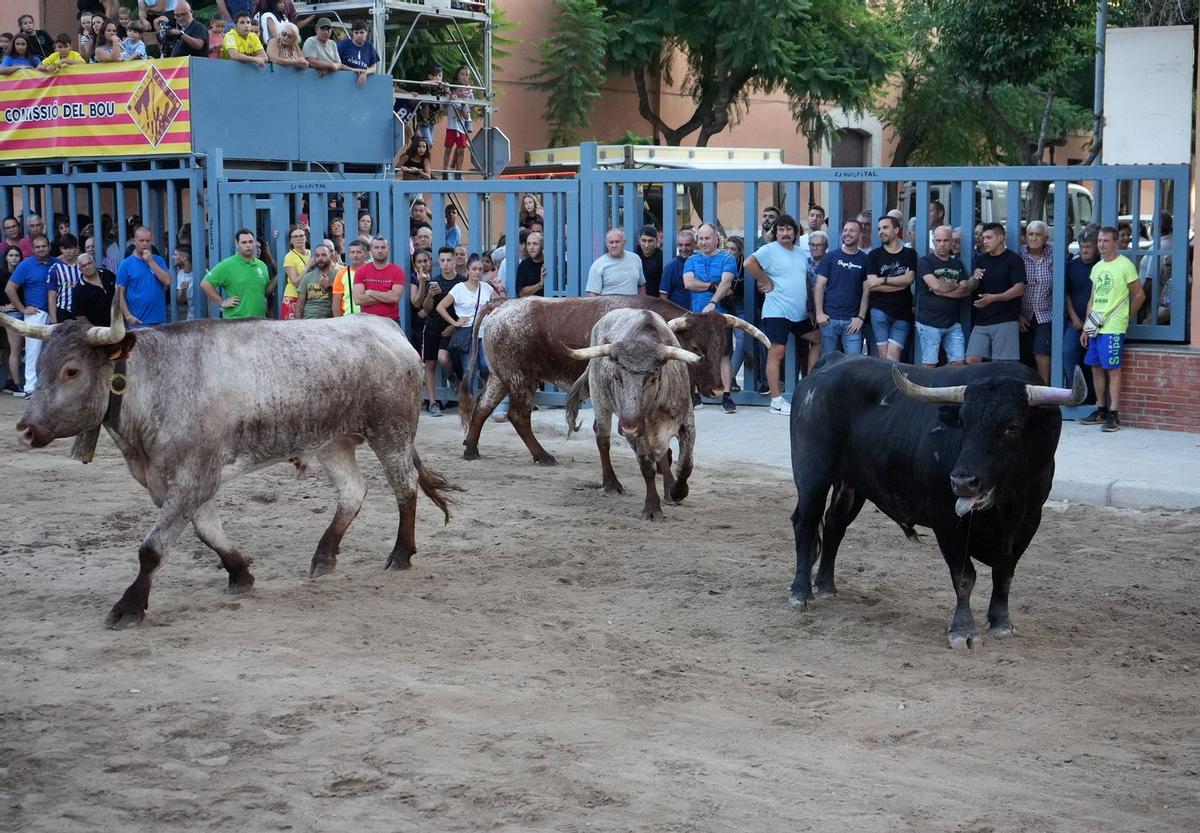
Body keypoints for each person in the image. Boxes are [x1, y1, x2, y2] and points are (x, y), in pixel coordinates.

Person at [1078, 226, 1146, 433]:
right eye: (1099, 240)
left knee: (1113, 369)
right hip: (1096, 325)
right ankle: (1101, 409)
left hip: (1113, 327)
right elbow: (1092, 299)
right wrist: (1087, 328)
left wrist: (1125, 317)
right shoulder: (1098, 267)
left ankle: (1114, 413)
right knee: (1095, 367)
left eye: (1106, 241)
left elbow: (1139, 295)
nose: (1101, 244)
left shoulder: (1125, 265)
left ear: (1115, 243)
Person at [745, 214, 809, 415]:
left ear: (795, 233)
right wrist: (764, 280)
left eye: (789, 229)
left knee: (816, 338)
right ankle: (776, 400)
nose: (785, 233)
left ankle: (809, 383)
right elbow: (748, 263)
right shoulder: (769, 250)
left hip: (799, 313)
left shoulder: (800, 253)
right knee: (777, 352)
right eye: (781, 229)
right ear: (775, 233)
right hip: (777, 311)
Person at [684, 223, 737, 413]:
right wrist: (712, 286)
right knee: (696, 354)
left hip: (720, 317)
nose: (703, 242)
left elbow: (726, 283)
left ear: (716, 238)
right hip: (697, 316)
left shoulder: (727, 258)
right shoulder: (691, 260)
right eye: (701, 238)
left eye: (707, 238)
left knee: (723, 355)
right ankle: (696, 394)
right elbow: (688, 283)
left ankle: (727, 396)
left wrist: (713, 301)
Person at [436, 253, 501, 391]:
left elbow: (501, 304)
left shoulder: (486, 287)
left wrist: (499, 289)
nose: (477, 272)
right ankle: (467, 401)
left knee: (485, 366)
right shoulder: (459, 288)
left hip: (483, 333)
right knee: (468, 371)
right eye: (474, 269)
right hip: (467, 333)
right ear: (468, 270)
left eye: (480, 269)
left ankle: (483, 392)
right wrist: (454, 322)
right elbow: (440, 307)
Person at [915, 226, 975, 368]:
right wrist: (953, 285)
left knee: (959, 363)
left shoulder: (957, 263)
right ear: (933, 241)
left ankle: (943, 381)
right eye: (938, 240)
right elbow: (935, 285)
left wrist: (942, 291)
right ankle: (930, 383)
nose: (942, 244)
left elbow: (965, 289)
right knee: (930, 364)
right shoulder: (925, 262)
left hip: (953, 323)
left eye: (946, 240)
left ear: (952, 242)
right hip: (929, 322)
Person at [966, 222, 1026, 364]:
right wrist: (974, 277)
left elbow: (1019, 289)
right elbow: (970, 288)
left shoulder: (1014, 259)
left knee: (1001, 364)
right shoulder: (981, 259)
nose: (984, 241)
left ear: (1000, 238)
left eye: (988, 238)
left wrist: (993, 298)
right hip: (982, 319)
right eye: (983, 238)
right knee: (972, 359)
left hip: (1006, 319)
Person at [4, 236, 55, 397]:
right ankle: (30, 388)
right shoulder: (25, 265)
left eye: (44, 246)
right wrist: (23, 309)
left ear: (49, 247)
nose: (41, 249)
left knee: (52, 351)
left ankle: (49, 387)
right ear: (32, 249)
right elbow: (9, 288)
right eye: (37, 247)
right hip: (36, 313)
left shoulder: (57, 263)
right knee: (33, 351)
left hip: (55, 313)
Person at [864, 215, 917, 362]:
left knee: (893, 356)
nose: (881, 231)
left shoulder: (910, 254)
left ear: (897, 230)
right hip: (879, 311)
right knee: (884, 356)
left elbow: (909, 279)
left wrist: (883, 280)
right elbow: (872, 286)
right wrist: (901, 284)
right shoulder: (874, 255)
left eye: (885, 227)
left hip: (902, 312)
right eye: (879, 229)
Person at [814, 219, 869, 357]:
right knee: (828, 362)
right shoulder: (831, 257)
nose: (847, 233)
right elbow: (819, 285)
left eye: (852, 230)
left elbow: (866, 291)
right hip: (829, 320)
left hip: (852, 322)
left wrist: (861, 317)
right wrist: (819, 313)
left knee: (853, 363)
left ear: (860, 234)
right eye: (845, 230)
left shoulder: (865, 259)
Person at [421, 246, 462, 416]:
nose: (445, 264)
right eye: (442, 260)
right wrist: (430, 295)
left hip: (452, 327)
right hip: (433, 326)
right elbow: (426, 309)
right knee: (429, 364)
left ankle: (452, 377)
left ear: (455, 261)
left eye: (448, 260)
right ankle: (432, 403)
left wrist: (454, 326)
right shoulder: (434, 281)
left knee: (444, 358)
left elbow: (465, 308)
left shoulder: (462, 282)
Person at [202, 229, 272, 318]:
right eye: (244, 242)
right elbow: (205, 284)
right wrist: (222, 302)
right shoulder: (227, 265)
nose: (248, 245)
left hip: (259, 319)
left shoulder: (262, 265)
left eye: (250, 242)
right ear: (237, 244)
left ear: (254, 243)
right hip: (235, 320)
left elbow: (265, 291)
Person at [340, 235, 406, 324]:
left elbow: (394, 297)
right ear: (371, 249)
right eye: (376, 247)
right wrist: (386, 296)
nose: (380, 250)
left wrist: (371, 292)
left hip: (391, 321)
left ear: (388, 249)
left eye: (383, 247)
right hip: (367, 322)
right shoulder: (361, 271)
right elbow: (358, 299)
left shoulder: (397, 271)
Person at [1019, 219, 1054, 382]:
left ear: (1046, 238)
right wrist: (1017, 314)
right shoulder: (1019, 255)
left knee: (1041, 352)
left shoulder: (1054, 254)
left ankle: (1045, 389)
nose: (1033, 238)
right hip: (1022, 314)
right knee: (1023, 354)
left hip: (1046, 313)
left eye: (1038, 235)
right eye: (1030, 234)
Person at [1064, 226, 1099, 387]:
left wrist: (1090, 323)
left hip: (1097, 320)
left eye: (1088, 247)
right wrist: (1074, 318)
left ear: (1096, 247)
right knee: (1068, 353)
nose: (1085, 250)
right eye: (1082, 246)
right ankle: (1075, 390)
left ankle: (1092, 396)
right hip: (1075, 321)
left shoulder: (1102, 266)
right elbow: (1066, 294)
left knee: (1092, 360)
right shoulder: (1071, 266)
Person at [116, 226, 171, 327]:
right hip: (138, 321)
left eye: (148, 241)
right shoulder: (126, 264)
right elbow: (119, 292)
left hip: (160, 319)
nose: (145, 244)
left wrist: (151, 261)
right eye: (141, 241)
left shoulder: (159, 260)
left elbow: (167, 281)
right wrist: (128, 316)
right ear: (134, 241)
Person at [586, 229, 645, 296]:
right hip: (608, 303)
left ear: (625, 242)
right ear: (606, 244)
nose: (614, 245)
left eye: (617, 242)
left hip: (633, 303)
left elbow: (641, 285)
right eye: (611, 242)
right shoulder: (598, 265)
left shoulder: (635, 259)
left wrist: (642, 301)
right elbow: (593, 294)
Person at [1, 245, 24, 391]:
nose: (14, 258)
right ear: (6, 258)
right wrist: (2, 308)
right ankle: (16, 384)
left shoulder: (23, 272)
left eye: (16, 255)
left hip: (21, 314)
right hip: (10, 315)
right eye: (11, 255)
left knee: (10, 349)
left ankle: (11, 382)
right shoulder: (1, 274)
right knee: (13, 350)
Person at [442, 65, 473, 178]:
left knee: (461, 149)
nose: (461, 92)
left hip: (461, 128)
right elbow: (445, 106)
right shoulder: (452, 95)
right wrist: (451, 96)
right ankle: (445, 170)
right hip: (451, 126)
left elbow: (466, 116)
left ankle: (458, 171)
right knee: (448, 148)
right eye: (462, 74)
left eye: (466, 75)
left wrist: (462, 108)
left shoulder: (465, 98)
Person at [72, 252, 117, 327]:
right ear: (80, 269)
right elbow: (79, 315)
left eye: (89, 263)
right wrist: (92, 329)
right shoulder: (78, 290)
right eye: (83, 266)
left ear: (94, 263)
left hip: (117, 323)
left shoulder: (107, 274)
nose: (87, 267)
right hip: (98, 329)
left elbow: (120, 292)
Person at [295, 242, 337, 319]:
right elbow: (300, 304)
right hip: (308, 318)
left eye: (324, 255)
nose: (320, 258)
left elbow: (338, 302)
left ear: (331, 256)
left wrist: (328, 286)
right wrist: (298, 322)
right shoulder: (307, 277)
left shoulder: (339, 274)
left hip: (329, 319)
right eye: (317, 255)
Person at [658, 230, 697, 311]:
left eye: (687, 245)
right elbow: (663, 297)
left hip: (701, 313)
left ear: (695, 244)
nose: (683, 249)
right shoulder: (671, 267)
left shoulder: (701, 262)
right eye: (680, 245)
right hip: (680, 315)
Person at [47, 234, 82, 323]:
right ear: (60, 249)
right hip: (63, 312)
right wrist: (53, 320)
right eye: (65, 248)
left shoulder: (83, 265)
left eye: (71, 248)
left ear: (76, 248)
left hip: (83, 312)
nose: (68, 251)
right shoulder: (55, 269)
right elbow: (51, 297)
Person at [337, 19, 377, 88]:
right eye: (356, 33)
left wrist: (365, 72)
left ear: (366, 33)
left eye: (362, 32)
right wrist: (353, 70)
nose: (359, 35)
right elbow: (335, 63)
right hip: (341, 82)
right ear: (352, 33)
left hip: (360, 85)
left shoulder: (369, 47)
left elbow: (373, 68)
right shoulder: (344, 44)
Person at [281, 225, 308, 320]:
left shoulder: (311, 253)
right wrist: (308, 267)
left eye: (301, 235)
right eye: (295, 236)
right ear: (291, 240)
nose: (299, 238)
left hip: (308, 297)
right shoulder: (290, 256)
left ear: (306, 237)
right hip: (293, 297)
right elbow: (295, 282)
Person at [635, 224, 663, 297]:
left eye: (650, 241)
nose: (646, 245)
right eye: (644, 240)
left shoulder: (661, 257)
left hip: (655, 299)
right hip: (636, 298)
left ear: (656, 241)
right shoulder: (634, 255)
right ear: (639, 239)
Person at [516, 231, 546, 297]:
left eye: (535, 244)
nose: (531, 248)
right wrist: (540, 284)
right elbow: (521, 294)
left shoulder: (552, 263)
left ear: (543, 246)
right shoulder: (524, 265)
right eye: (528, 244)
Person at [172, 243, 194, 320]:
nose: (172, 257)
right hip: (190, 318)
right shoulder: (181, 274)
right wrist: (183, 291)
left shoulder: (202, 272)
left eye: (175, 255)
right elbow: (181, 301)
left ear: (183, 258)